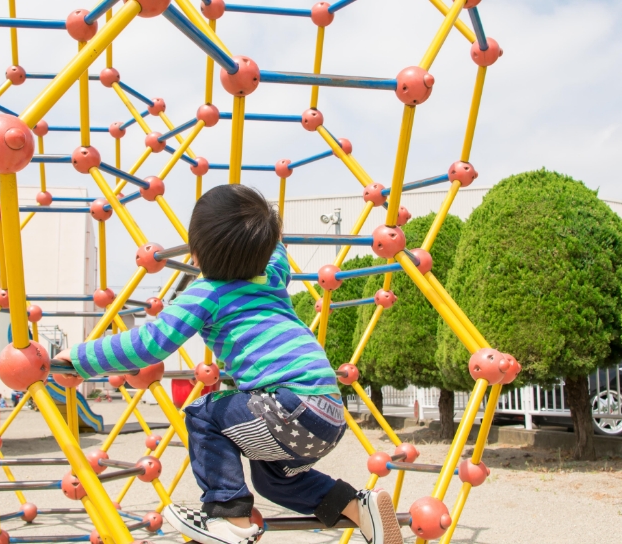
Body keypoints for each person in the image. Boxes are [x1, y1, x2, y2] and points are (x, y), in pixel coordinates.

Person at [55, 185, 402, 544]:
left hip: (290, 408)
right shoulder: (272, 275)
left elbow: (148, 344)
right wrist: (271, 234)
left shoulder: (206, 293)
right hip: (328, 414)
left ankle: (228, 516)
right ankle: (360, 507)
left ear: (196, 253)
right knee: (274, 481)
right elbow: (277, 250)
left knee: (204, 413)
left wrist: (79, 360)